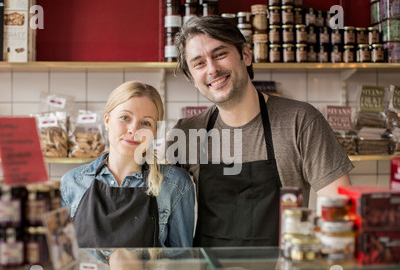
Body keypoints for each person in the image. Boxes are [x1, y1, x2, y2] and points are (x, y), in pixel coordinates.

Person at [167, 16, 354, 247]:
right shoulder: (186, 133)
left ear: (246, 55)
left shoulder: (301, 121)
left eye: (220, 54)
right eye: (199, 63)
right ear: (192, 78)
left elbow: (339, 210)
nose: (213, 69)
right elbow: (162, 214)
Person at [61, 81, 195, 248]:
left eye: (145, 123)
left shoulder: (175, 184)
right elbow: (63, 259)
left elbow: (182, 263)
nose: (134, 130)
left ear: (154, 131)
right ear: (107, 121)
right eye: (125, 118)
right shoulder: (72, 183)